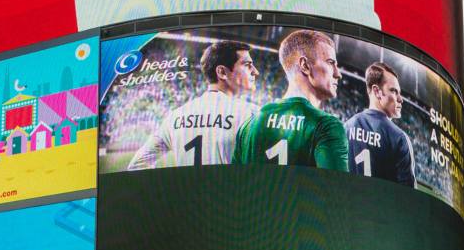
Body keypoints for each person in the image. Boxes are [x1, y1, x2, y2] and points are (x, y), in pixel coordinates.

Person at [127, 40, 260, 170]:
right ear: (222, 72)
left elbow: (137, 165)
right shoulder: (251, 114)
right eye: (247, 64)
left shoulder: (176, 116)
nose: (255, 71)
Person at [234, 29, 348, 171]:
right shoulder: (326, 126)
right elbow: (337, 191)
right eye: (331, 63)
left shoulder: (248, 125)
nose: (338, 74)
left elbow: (235, 187)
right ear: (305, 66)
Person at [344, 61, 416, 187]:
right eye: (394, 91)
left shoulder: (346, 126)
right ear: (377, 91)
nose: (401, 99)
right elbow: (408, 198)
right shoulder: (399, 138)